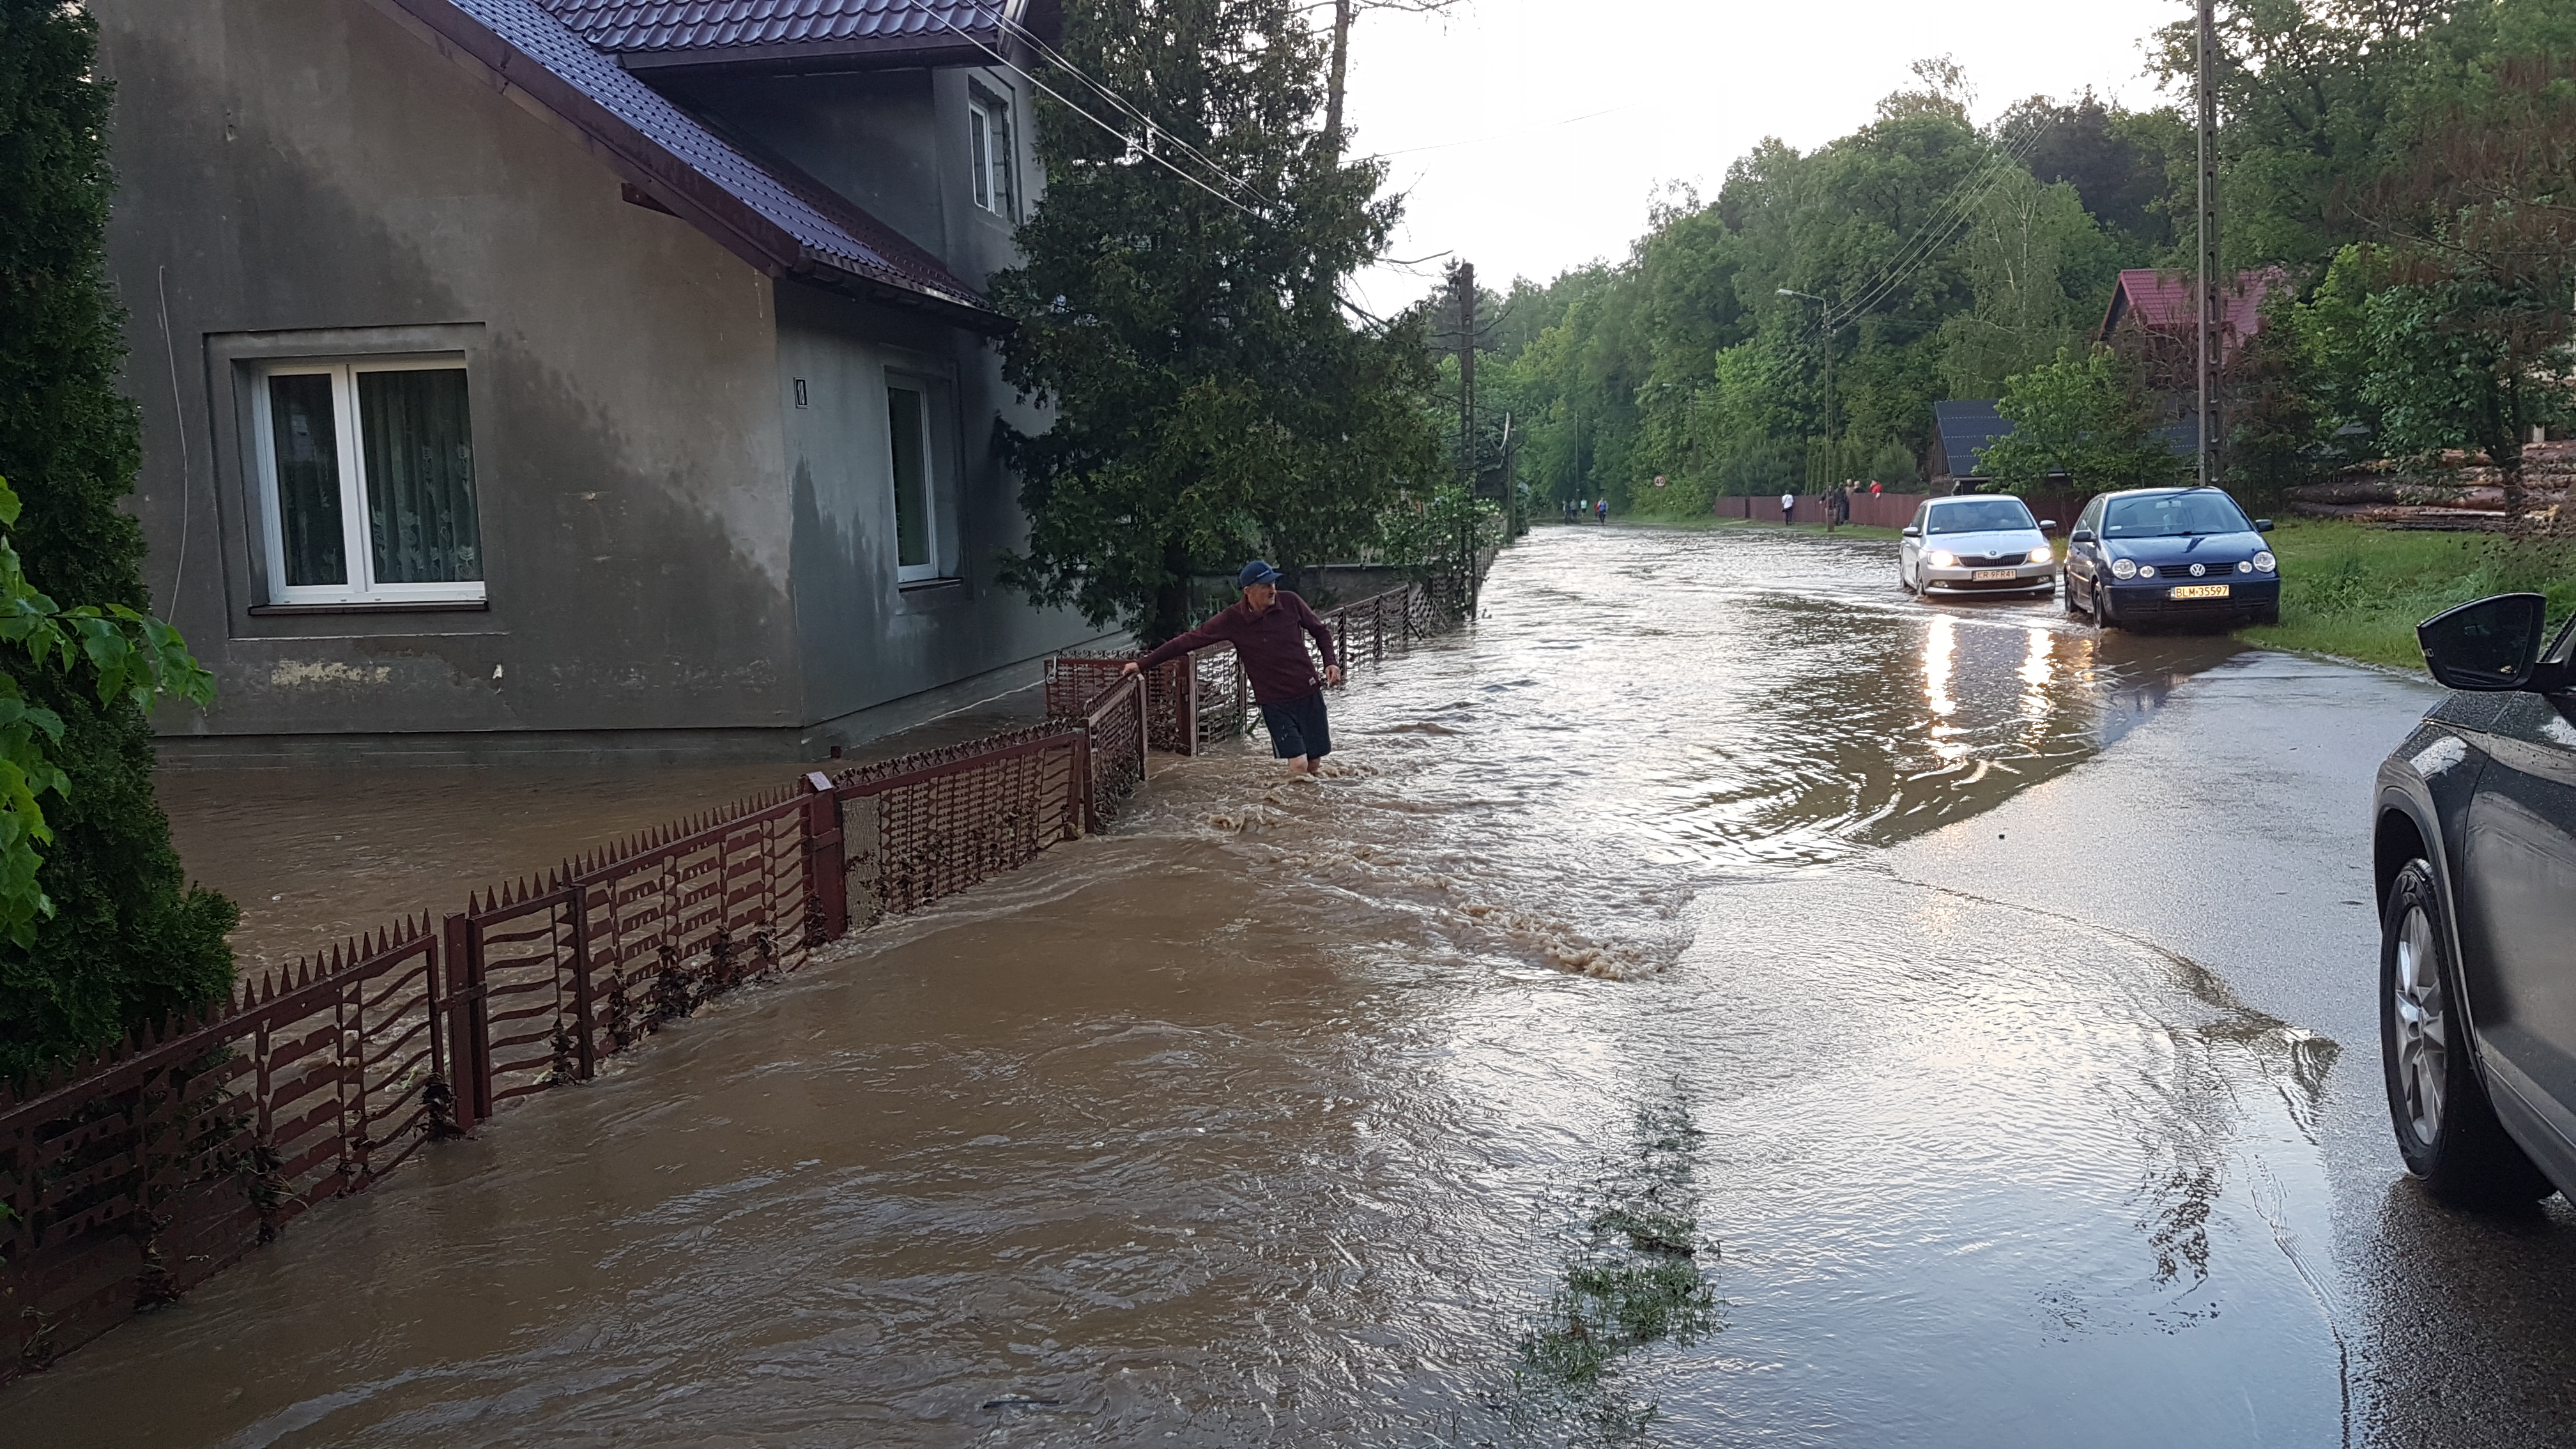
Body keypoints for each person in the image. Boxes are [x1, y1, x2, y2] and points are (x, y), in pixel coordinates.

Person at [1124, 562, 1343, 774]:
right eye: (1265, 585)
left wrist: (1330, 662)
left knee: (1314, 763)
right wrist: (1142, 664)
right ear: (1248, 591)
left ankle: (1308, 809)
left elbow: (1321, 631)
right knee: (1298, 764)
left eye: (1273, 583)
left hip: (1309, 693)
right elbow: (1188, 640)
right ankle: (1293, 806)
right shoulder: (1233, 619)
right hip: (1275, 703)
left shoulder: (1291, 602)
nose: (1272, 590)